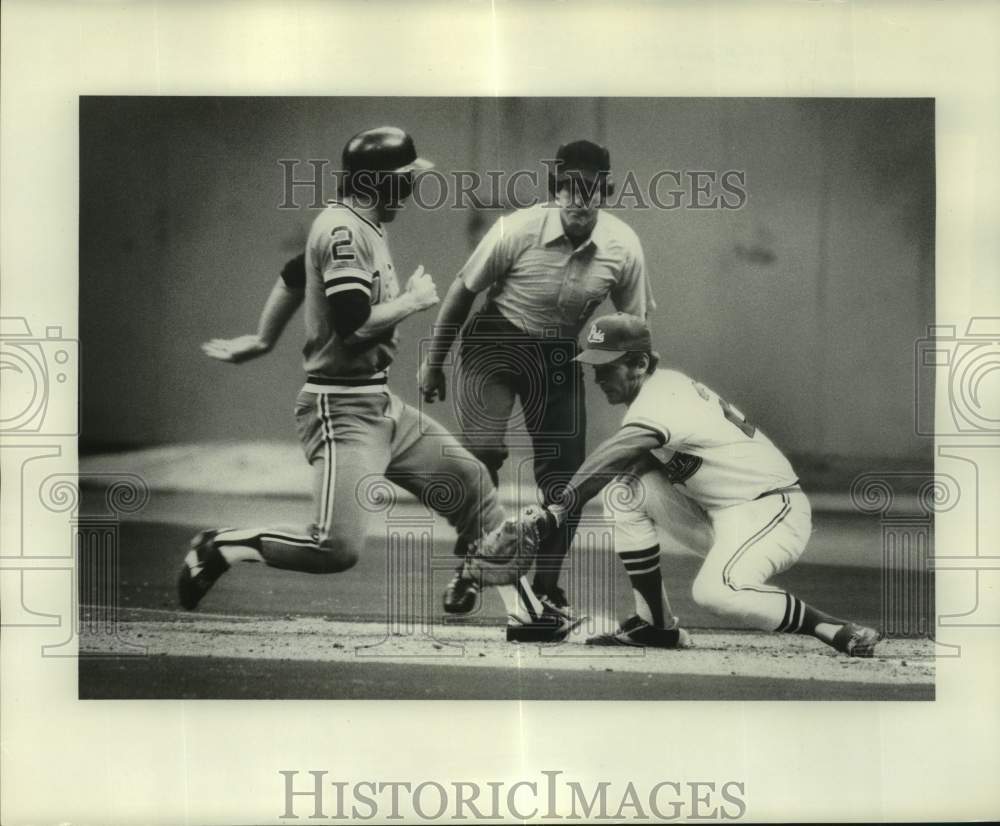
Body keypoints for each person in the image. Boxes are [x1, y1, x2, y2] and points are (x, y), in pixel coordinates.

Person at [180, 126, 570, 642]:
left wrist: (262, 338)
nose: (412, 189)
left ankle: (527, 613)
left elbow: (296, 273)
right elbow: (353, 325)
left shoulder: (358, 223)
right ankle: (221, 546)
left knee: (473, 487)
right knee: (335, 548)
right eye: (407, 179)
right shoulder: (345, 230)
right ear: (382, 182)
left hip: (380, 403)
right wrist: (412, 302)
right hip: (340, 408)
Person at [509, 312, 883, 656]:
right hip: (720, 513)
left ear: (640, 363)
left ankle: (832, 627)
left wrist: (556, 511)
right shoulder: (656, 395)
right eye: (593, 365)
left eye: (606, 365)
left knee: (714, 592)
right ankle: (655, 626)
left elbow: (617, 450)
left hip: (771, 512)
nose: (597, 376)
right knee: (625, 491)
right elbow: (624, 462)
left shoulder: (663, 396)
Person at [418, 140, 653, 629]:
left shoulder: (622, 245)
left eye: (592, 191)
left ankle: (545, 589)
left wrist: (643, 397)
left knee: (567, 481)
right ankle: (470, 566)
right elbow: (463, 292)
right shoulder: (516, 229)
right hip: (497, 341)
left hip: (560, 353)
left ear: (605, 194)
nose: (581, 202)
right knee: (480, 454)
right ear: (556, 191)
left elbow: (634, 326)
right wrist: (433, 362)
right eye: (572, 190)